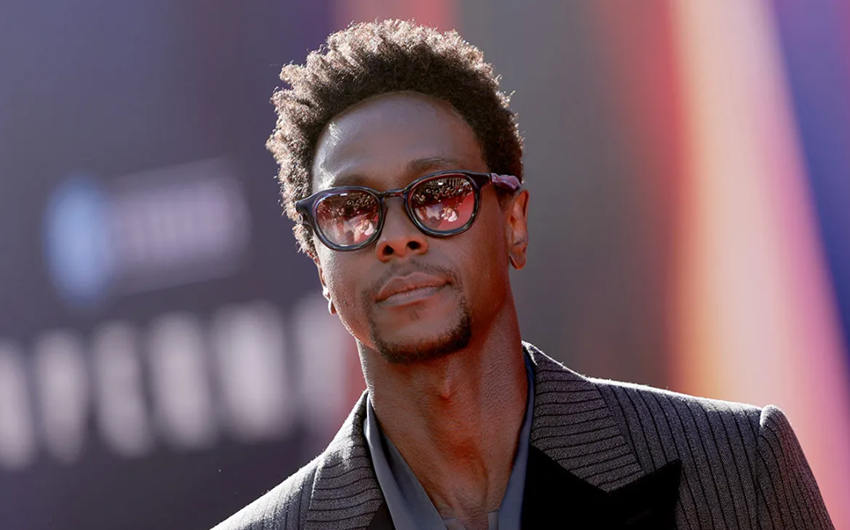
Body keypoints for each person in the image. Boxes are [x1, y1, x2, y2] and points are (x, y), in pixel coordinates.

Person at [215, 20, 833, 530]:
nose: (397, 235)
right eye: (351, 210)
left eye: (440, 194)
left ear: (513, 223)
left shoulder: (736, 464)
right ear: (320, 266)